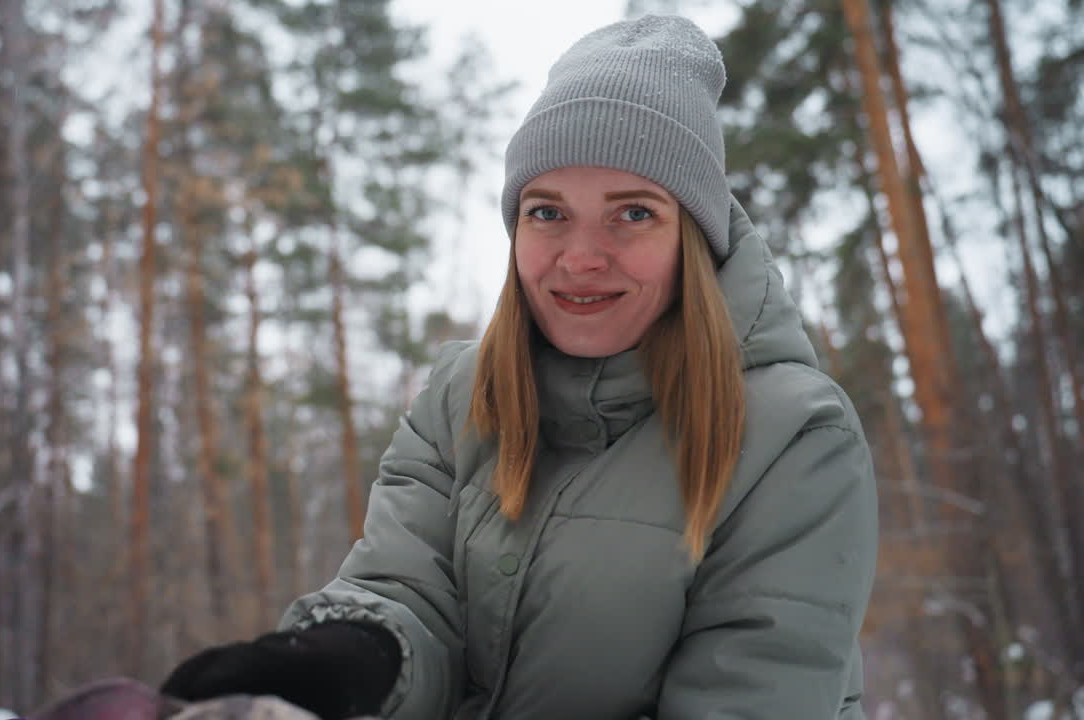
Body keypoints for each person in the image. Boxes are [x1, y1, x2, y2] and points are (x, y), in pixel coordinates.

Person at [160, 14, 878, 720]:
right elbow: (408, 592)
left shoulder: (794, 435)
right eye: (547, 212)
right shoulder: (462, 397)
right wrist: (347, 661)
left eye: (632, 214)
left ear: (693, 235)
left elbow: (751, 695)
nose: (581, 256)